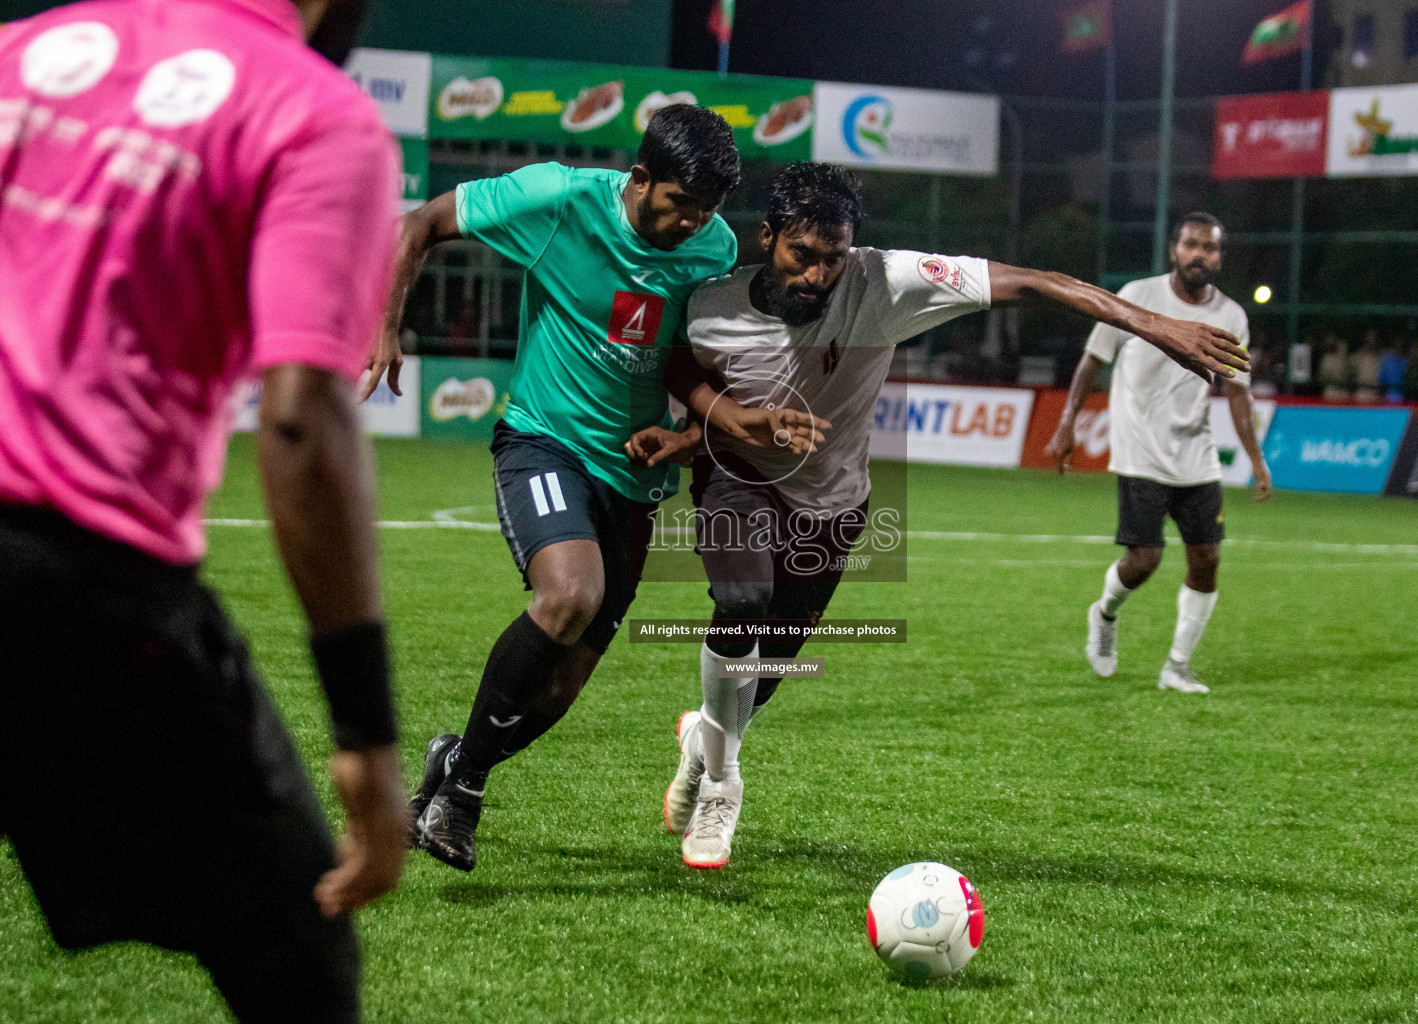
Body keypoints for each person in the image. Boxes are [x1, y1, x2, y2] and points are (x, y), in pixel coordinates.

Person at [628, 165, 1251, 869]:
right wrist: (691, 434)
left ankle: (700, 744)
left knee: (763, 677)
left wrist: (1154, 324)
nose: (819, 274)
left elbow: (1037, 282)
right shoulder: (712, 304)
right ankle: (722, 784)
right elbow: (687, 371)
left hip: (832, 503)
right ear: (767, 237)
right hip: (738, 478)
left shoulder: (885, 283)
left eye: (834, 256)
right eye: (802, 254)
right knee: (742, 602)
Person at [0, 0, 411, 1020]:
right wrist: (363, 730)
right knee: (299, 958)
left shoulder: (25, 48)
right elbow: (303, 422)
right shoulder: (316, 115)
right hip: (77, 590)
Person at [362, 106, 817, 873]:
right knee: (569, 596)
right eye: (679, 204)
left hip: (632, 477)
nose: (692, 224)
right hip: (542, 439)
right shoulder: (555, 199)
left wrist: (709, 423)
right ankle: (463, 795)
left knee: (560, 691)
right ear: (639, 179)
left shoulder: (712, 245)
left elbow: (680, 355)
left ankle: (454, 756)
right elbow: (421, 224)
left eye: (706, 210)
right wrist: (386, 326)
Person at [1046, 212, 1270, 696]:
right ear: (1174, 249)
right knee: (1144, 560)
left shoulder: (1232, 316)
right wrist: (1066, 425)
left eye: (1209, 248)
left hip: (1197, 455)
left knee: (1207, 558)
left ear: (1219, 257)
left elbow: (1237, 393)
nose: (1199, 255)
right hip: (1140, 451)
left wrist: (1256, 459)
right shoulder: (1137, 297)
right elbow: (1092, 361)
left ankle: (1177, 666)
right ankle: (1104, 613)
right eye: (1191, 245)